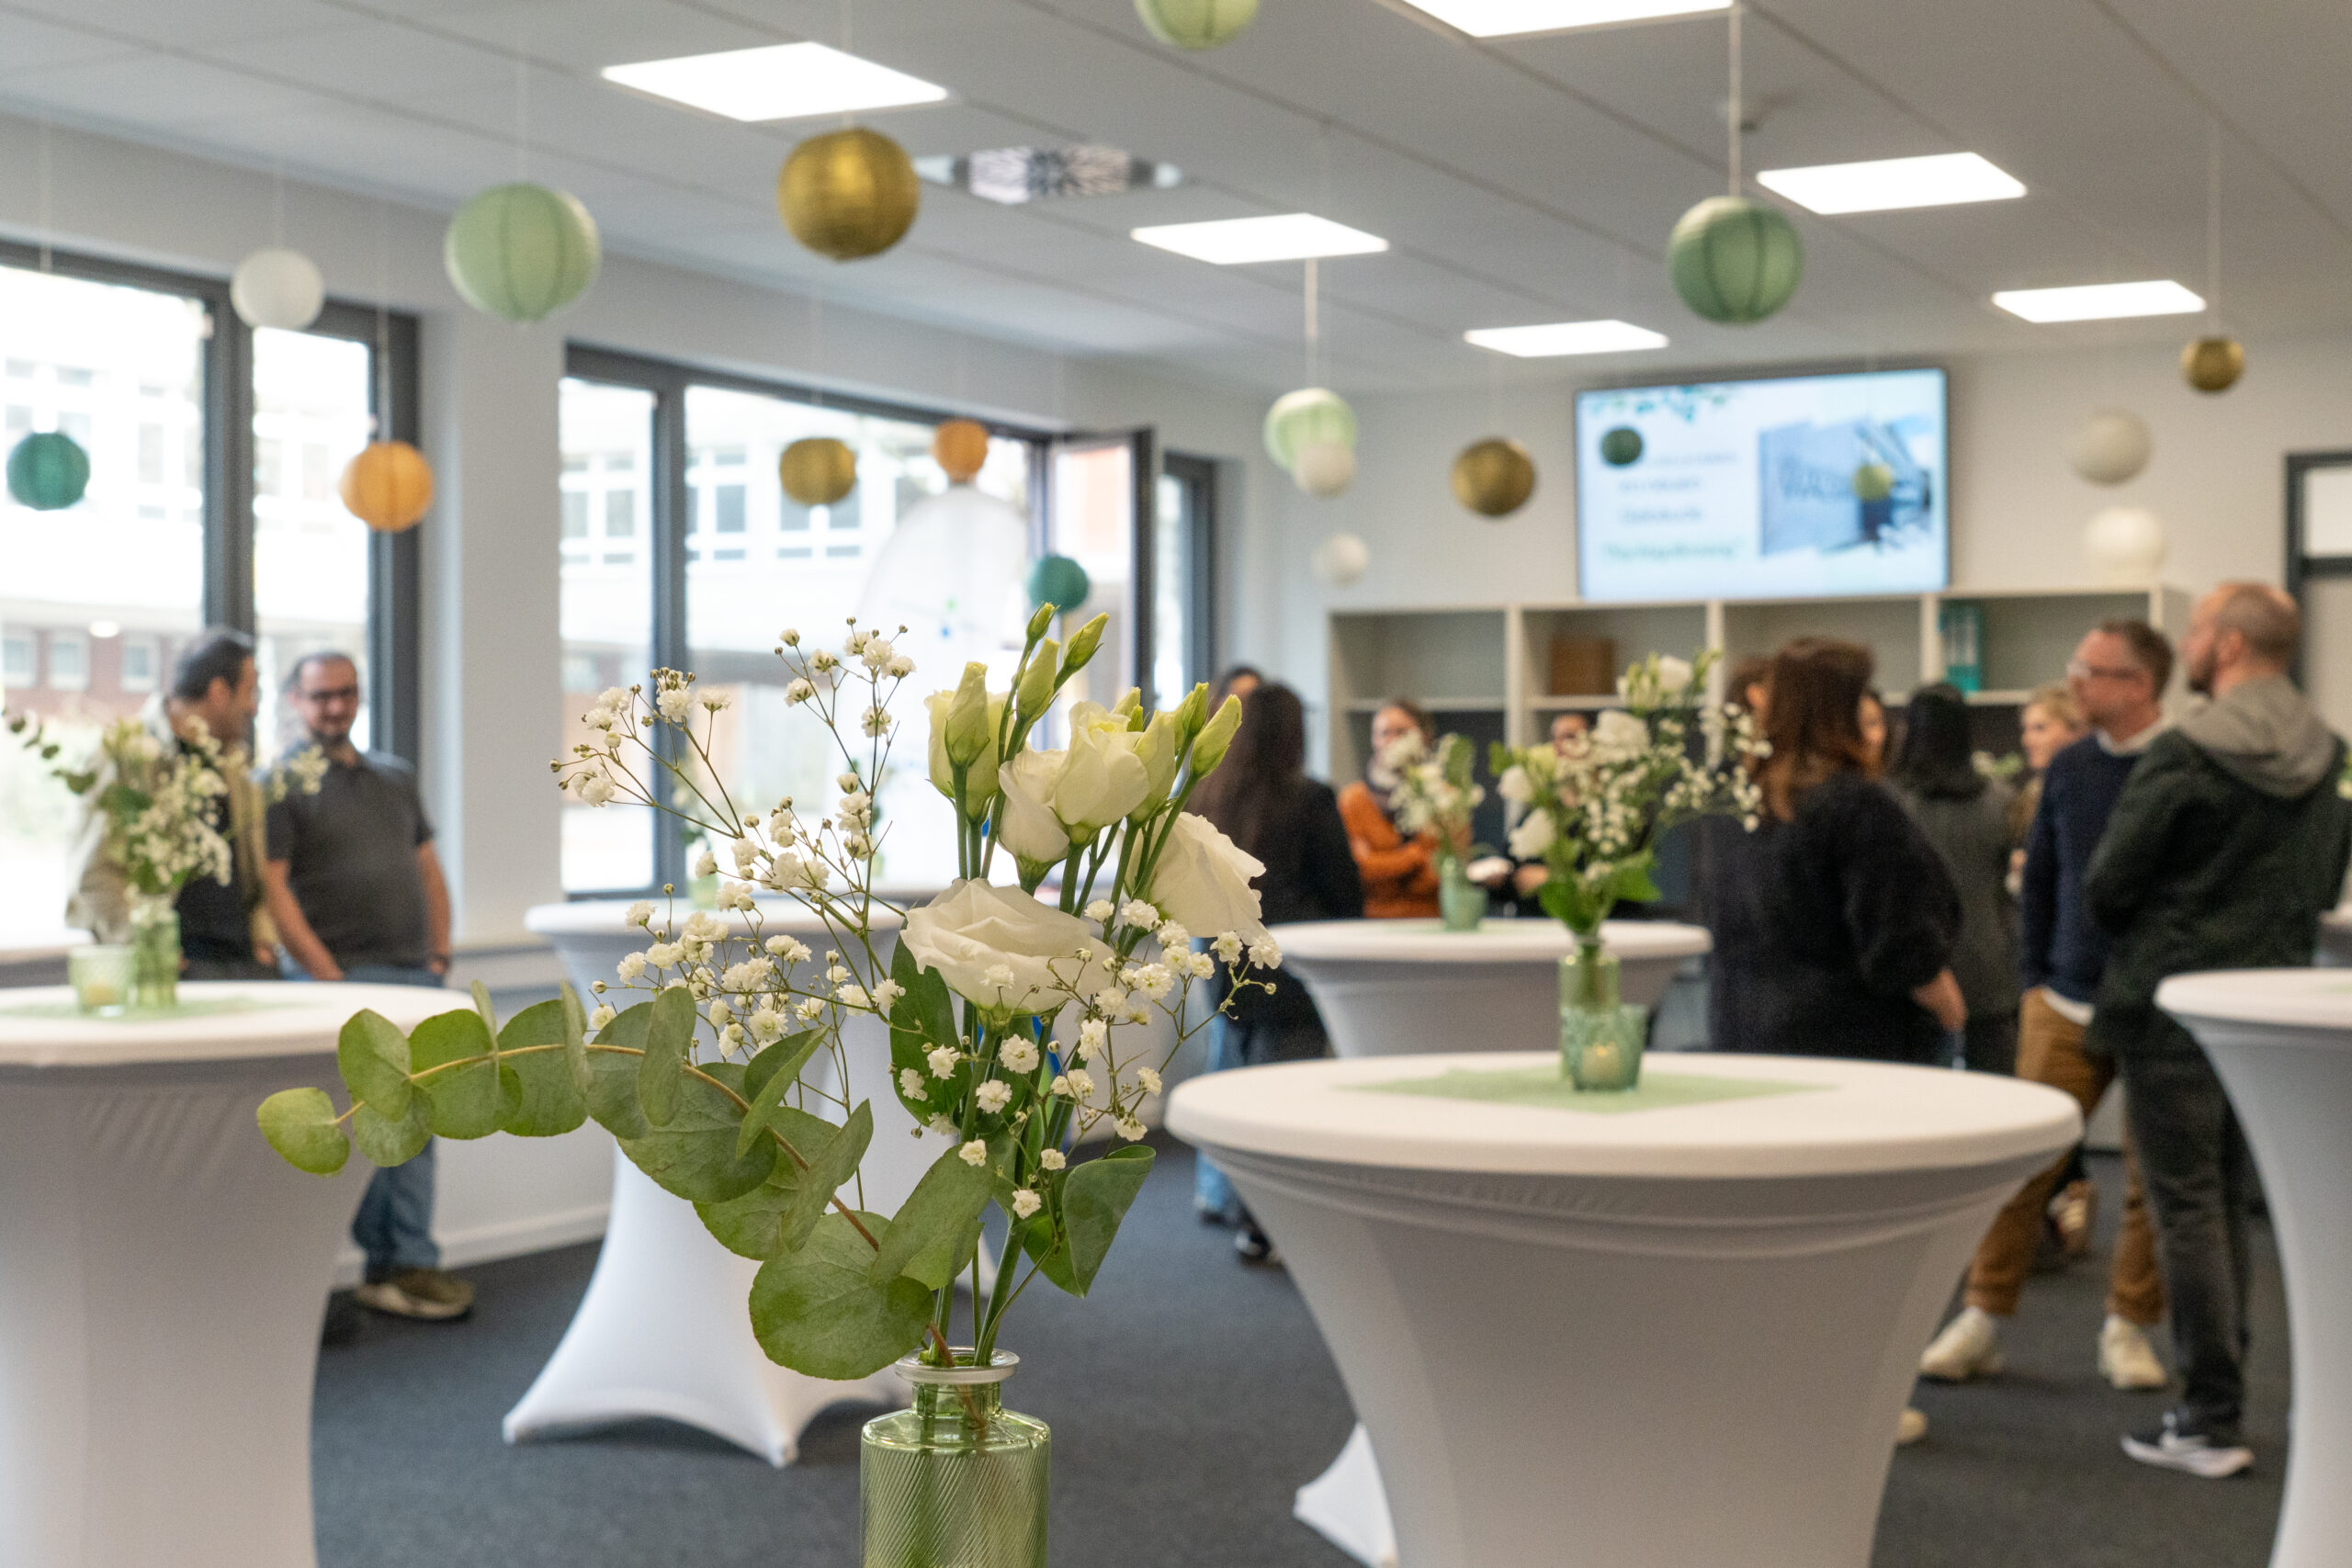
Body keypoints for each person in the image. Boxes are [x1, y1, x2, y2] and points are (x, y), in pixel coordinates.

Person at [2086, 585, 2352, 1478]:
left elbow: (2110, 882)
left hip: (2170, 1002)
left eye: (2198, 628)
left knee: (2186, 1208)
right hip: (2266, 1005)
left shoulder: (2186, 751)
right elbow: (2323, 882)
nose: (2188, 642)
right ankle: (2224, 1397)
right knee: (2227, 1202)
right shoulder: (2330, 754)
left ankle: (2209, 1415)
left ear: (2229, 644)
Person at [1917, 620, 2174, 1393]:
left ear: (2139, 684)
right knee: (2024, 1167)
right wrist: (2033, 977)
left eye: (2091, 670)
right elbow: (2042, 881)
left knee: (2150, 1179)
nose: (2077, 681)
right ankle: (1983, 1316)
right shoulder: (2069, 767)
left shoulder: (2180, 765)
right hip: (2061, 996)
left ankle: (2128, 1326)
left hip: (2156, 1005)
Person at [265, 651, 473, 1323]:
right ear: (295, 701)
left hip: (414, 976)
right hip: (339, 982)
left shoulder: (395, 777)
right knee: (360, 1133)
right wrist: (325, 975)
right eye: (320, 695)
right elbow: (273, 887)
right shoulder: (277, 784)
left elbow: (428, 869)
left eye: (346, 693)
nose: (335, 706)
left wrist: (440, 954)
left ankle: (408, 1263)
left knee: (416, 1125)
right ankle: (359, 1272)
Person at [1702, 637, 1965, 1065]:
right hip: (1854, 1043)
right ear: (1839, 708)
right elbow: (1898, 936)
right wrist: (1943, 999)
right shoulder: (1854, 804)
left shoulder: (1736, 801)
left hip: (1746, 1031)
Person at [1187, 682, 1364, 1260]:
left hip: (1228, 967)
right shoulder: (1309, 799)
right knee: (1287, 1106)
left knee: (1243, 1098)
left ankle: (1248, 1214)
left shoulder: (1207, 798)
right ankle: (1275, 1224)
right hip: (1291, 971)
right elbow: (1344, 894)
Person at [69, 628, 280, 980]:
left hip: (245, 963)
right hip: (173, 968)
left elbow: (251, 867)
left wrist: (263, 939)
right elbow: (94, 873)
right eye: (250, 692)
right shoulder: (127, 754)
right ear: (219, 692)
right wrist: (148, 946)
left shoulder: (234, 762)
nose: (253, 707)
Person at [1888, 682, 2019, 1076]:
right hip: (1989, 970)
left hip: (1914, 977)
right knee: (1995, 1095)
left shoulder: (1890, 805)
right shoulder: (2002, 801)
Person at [1339, 698, 1443, 918]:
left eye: (1402, 732)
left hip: (1430, 918)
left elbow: (1442, 873)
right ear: (1373, 739)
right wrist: (1413, 857)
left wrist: (1384, 864)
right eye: (1384, 733)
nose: (1392, 741)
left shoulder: (1443, 797)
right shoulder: (1353, 800)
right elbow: (1359, 870)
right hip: (1372, 921)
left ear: (1424, 737)